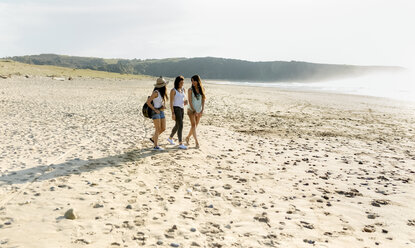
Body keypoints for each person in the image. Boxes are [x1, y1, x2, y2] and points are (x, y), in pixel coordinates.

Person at [147, 77, 169, 150]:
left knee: (163, 128)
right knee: (157, 128)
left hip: (161, 111)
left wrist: (162, 106)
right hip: (155, 112)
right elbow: (148, 102)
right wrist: (154, 109)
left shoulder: (162, 93)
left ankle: (153, 138)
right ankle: (155, 146)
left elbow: (158, 102)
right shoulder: (156, 92)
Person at [185, 75, 206, 148]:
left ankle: (187, 137)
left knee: (195, 126)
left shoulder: (202, 89)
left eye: (194, 80)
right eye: (192, 81)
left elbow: (203, 100)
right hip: (191, 110)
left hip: (198, 110)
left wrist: (202, 110)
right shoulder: (190, 90)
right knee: (193, 125)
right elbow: (190, 101)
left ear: (198, 81)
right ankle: (197, 142)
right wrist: (194, 111)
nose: (193, 82)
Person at [168, 76, 188, 149]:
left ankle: (170, 138)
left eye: (183, 82)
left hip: (182, 109)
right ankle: (180, 143)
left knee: (177, 125)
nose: (182, 84)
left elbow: (183, 100)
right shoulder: (173, 90)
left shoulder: (183, 90)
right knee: (181, 125)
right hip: (176, 109)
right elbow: (171, 102)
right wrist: (172, 113)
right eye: (181, 83)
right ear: (177, 82)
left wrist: (185, 102)